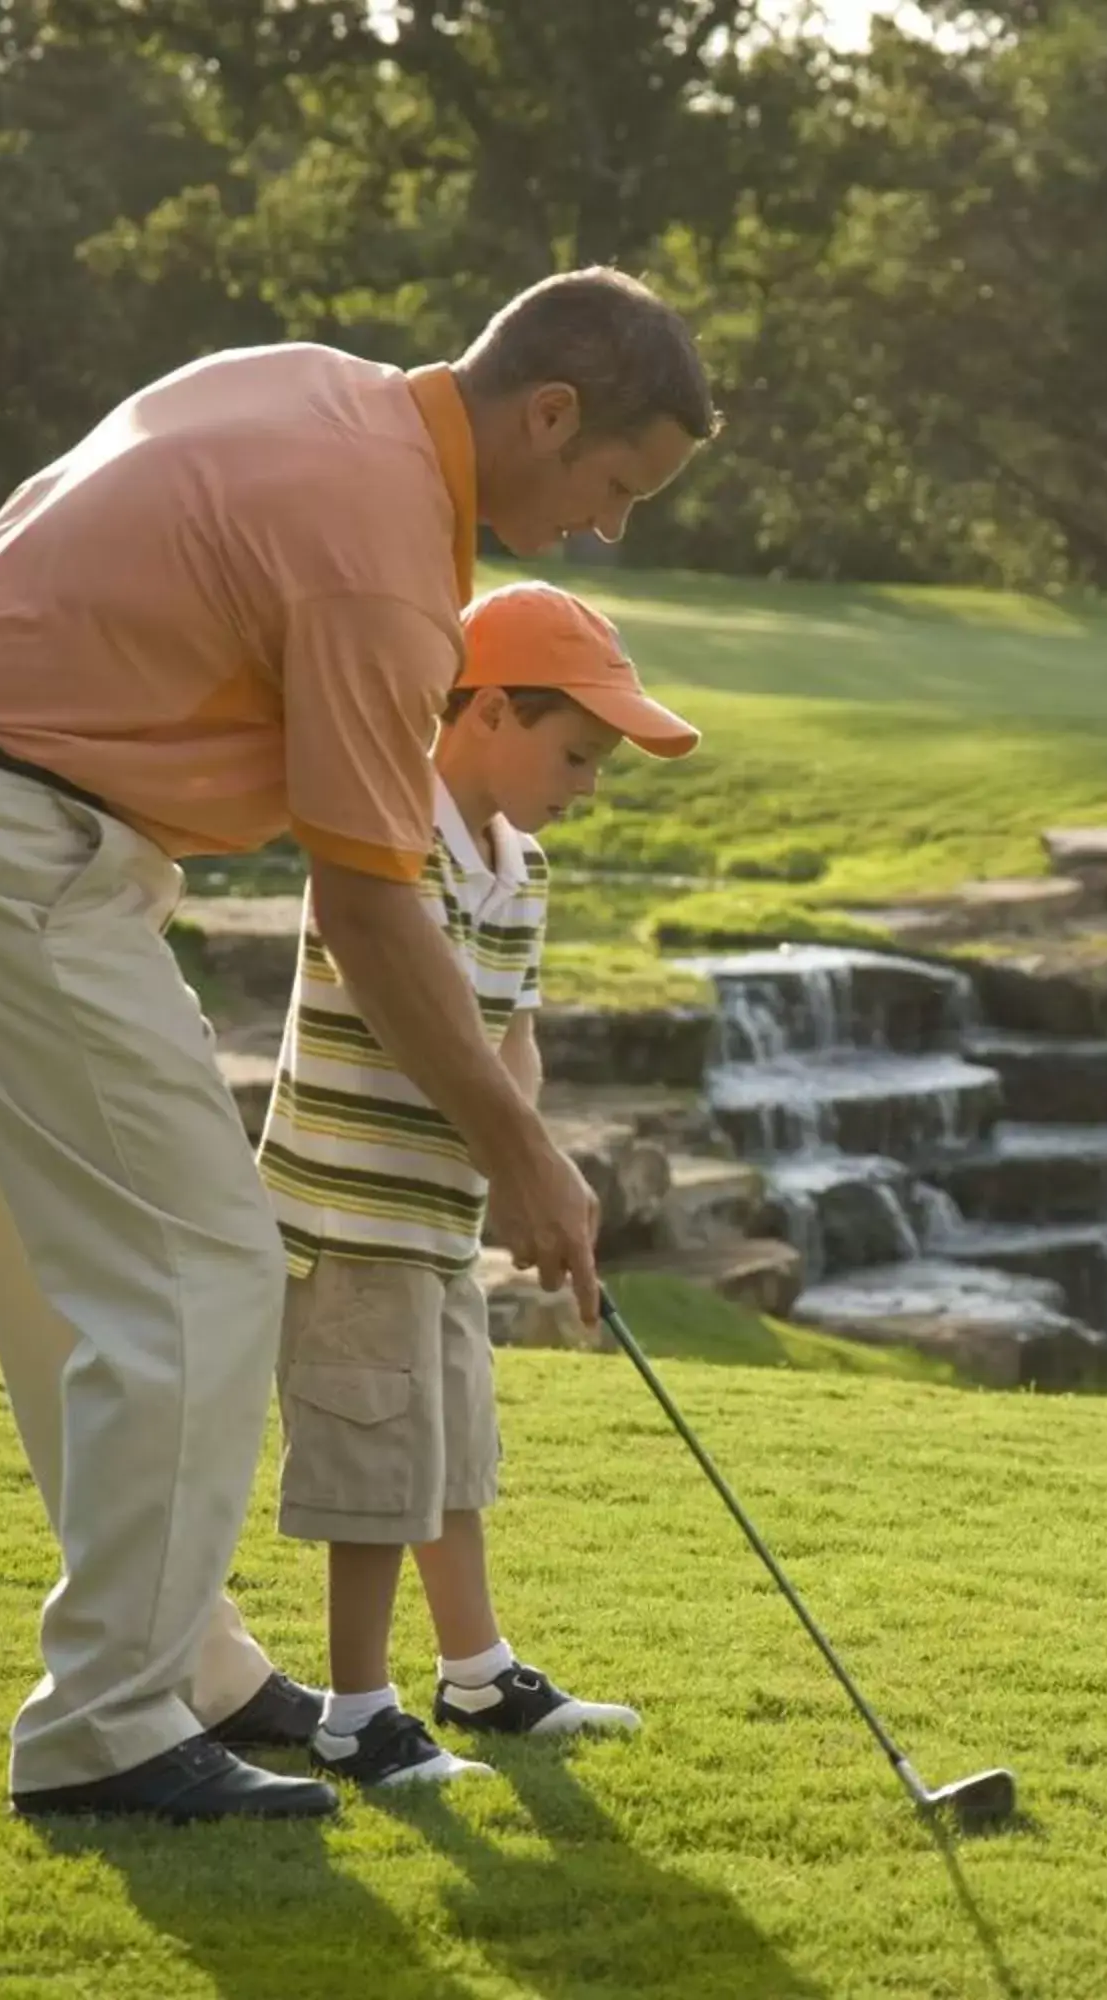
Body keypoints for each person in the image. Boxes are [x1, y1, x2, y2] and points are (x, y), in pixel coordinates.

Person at [0, 271, 714, 1822]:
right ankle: (105, 1725)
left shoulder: (324, 387)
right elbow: (374, 914)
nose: (606, 529)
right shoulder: (384, 569)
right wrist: (527, 1163)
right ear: (553, 414)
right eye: (614, 486)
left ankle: (195, 1670)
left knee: (80, 1288)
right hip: (5, 834)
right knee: (206, 1266)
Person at [259, 582, 700, 1788]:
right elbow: (421, 1022)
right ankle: (357, 1708)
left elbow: (510, 1039)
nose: (589, 783)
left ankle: (477, 1670)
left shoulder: (526, 867)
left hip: (437, 1217)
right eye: (575, 753)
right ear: (491, 709)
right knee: (375, 1464)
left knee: (450, 1446)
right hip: (352, 1212)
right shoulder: (385, 836)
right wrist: (513, 1159)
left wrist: (528, 1167)